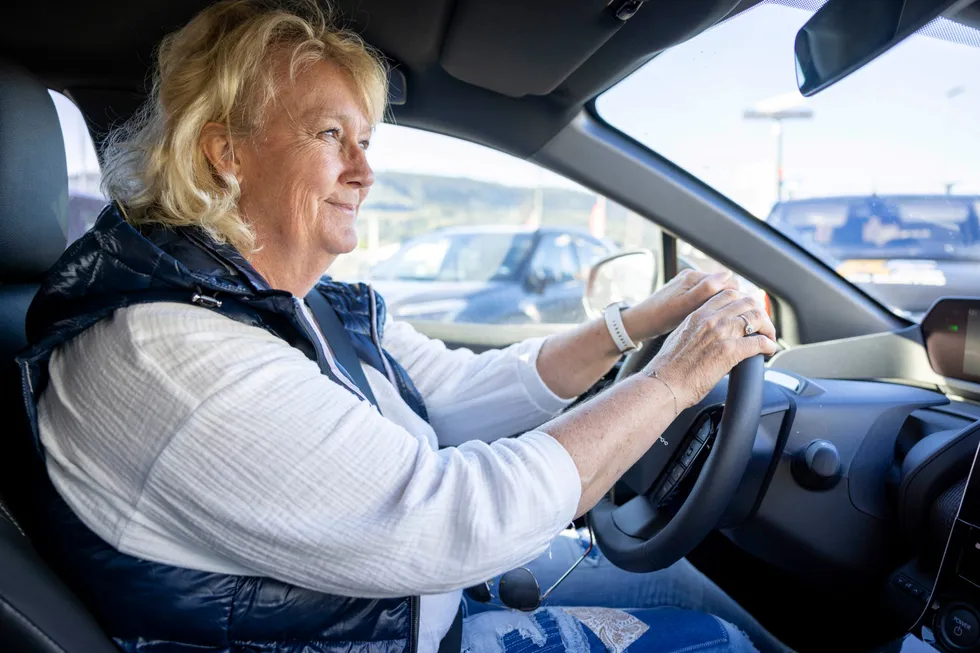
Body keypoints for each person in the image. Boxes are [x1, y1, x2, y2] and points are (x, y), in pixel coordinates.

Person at [14, 1, 790, 652]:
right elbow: (458, 514)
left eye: (366, 140)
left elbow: (460, 389)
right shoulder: (169, 356)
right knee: (716, 638)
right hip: (403, 626)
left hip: (418, 605)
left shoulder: (284, 300)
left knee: (691, 588)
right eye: (329, 136)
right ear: (227, 154)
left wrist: (633, 327)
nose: (364, 170)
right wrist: (672, 379)